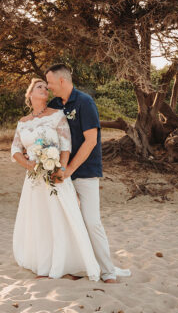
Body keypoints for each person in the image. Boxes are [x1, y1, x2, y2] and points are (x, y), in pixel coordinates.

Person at [44, 63, 131, 284]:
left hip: (85, 172)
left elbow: (91, 140)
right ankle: (77, 265)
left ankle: (108, 271)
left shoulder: (85, 102)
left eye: (51, 83)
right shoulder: (54, 104)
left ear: (62, 81)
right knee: (68, 222)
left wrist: (69, 169)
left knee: (91, 221)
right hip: (60, 174)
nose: (49, 87)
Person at [11, 78, 101, 280]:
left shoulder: (57, 115)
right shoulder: (22, 122)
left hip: (55, 175)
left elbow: (66, 145)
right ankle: (43, 263)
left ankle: (65, 262)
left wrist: (60, 168)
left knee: (60, 218)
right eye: (39, 87)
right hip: (34, 179)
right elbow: (15, 150)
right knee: (39, 219)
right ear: (30, 94)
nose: (44, 89)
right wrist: (30, 165)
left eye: (46, 86)